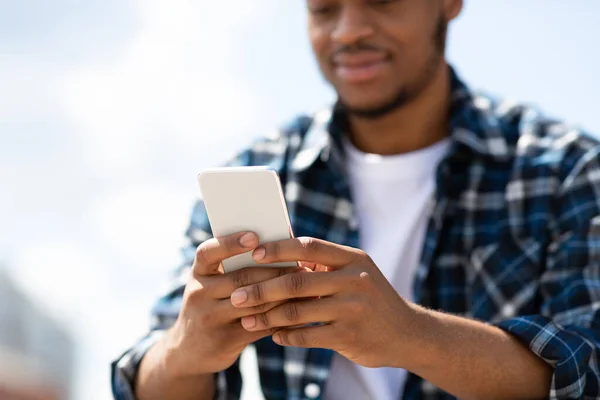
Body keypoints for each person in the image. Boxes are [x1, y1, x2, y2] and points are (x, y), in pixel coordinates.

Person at [112, 1, 600, 399]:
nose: (348, 31)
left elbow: (590, 371)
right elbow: (152, 377)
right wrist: (187, 350)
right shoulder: (257, 171)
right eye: (324, 10)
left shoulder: (566, 170)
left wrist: (411, 334)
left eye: (380, 2)